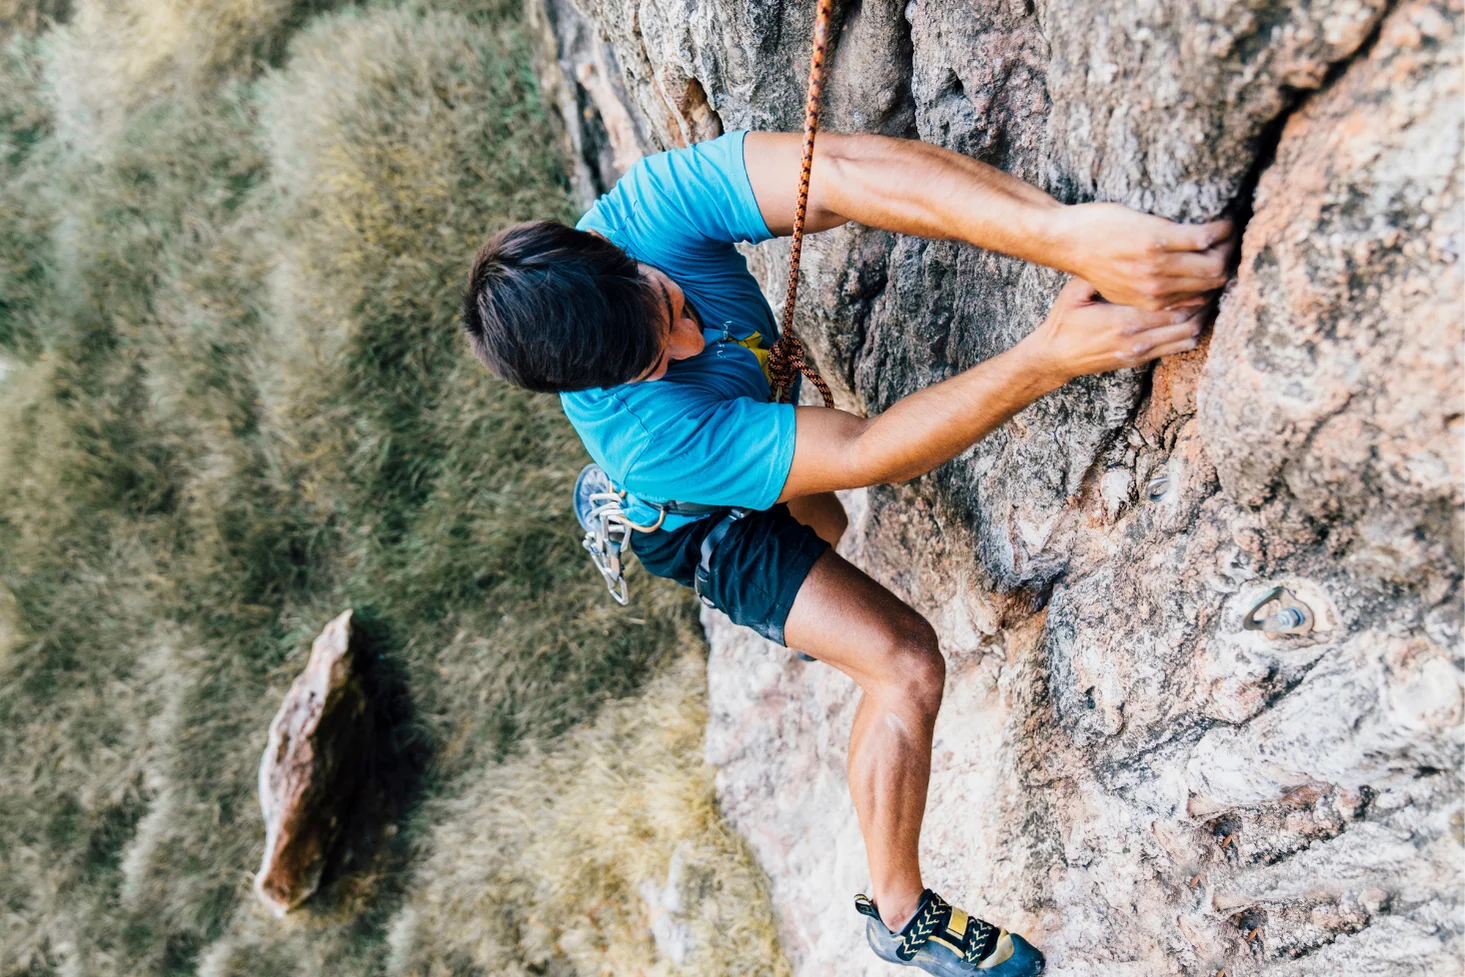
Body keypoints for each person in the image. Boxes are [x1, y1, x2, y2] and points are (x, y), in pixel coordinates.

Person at [461, 130, 1232, 975]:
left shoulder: (647, 207)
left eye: (667, 304)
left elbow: (834, 174)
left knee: (824, 525)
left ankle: (762, 474)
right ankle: (901, 915)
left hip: (732, 430)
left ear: (614, 251)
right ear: (602, 384)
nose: (686, 344)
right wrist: (1045, 358)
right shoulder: (651, 435)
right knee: (902, 661)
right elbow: (866, 448)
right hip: (696, 522)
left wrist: (1065, 234)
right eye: (655, 360)